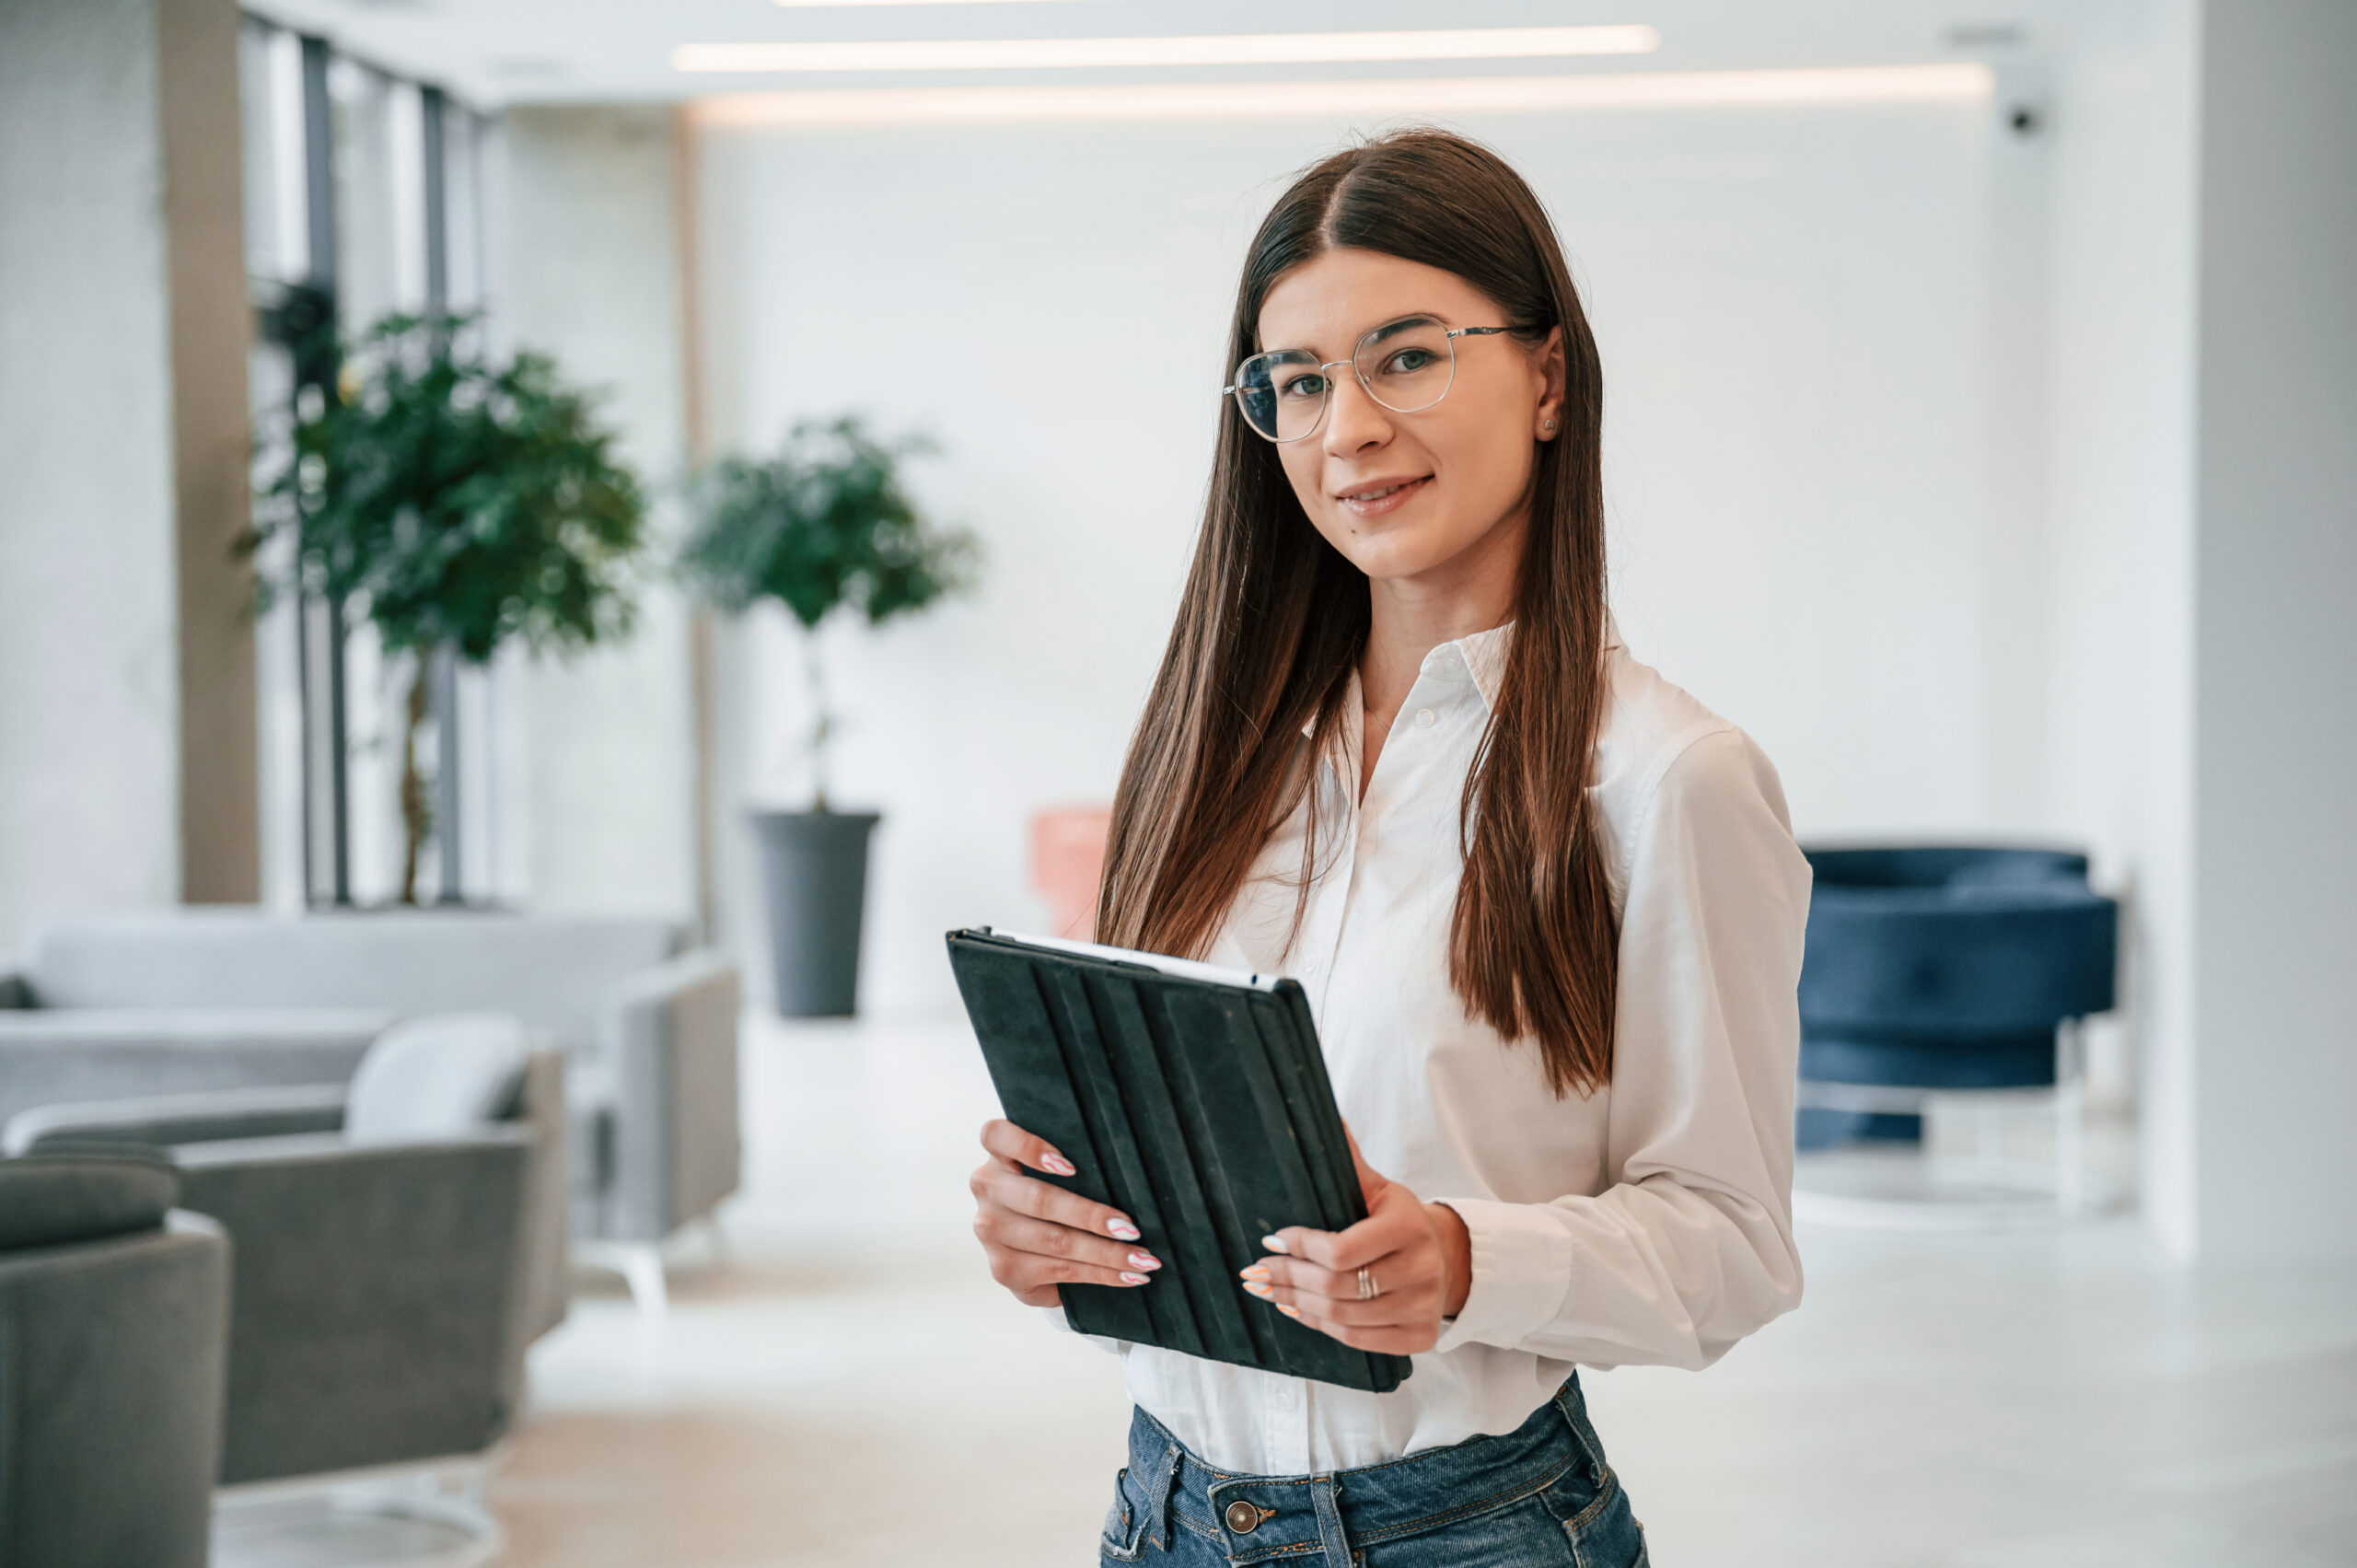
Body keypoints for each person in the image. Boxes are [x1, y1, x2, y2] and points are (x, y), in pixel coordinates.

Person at [969, 127, 1811, 1567]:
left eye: (1405, 357)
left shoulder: (1670, 779)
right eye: (1296, 382)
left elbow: (1730, 1247)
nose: (1342, 428)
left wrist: (1470, 1260)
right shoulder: (1211, 753)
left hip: (1469, 1530)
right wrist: (1046, 1220)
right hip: (1164, 1512)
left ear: (1547, 379)